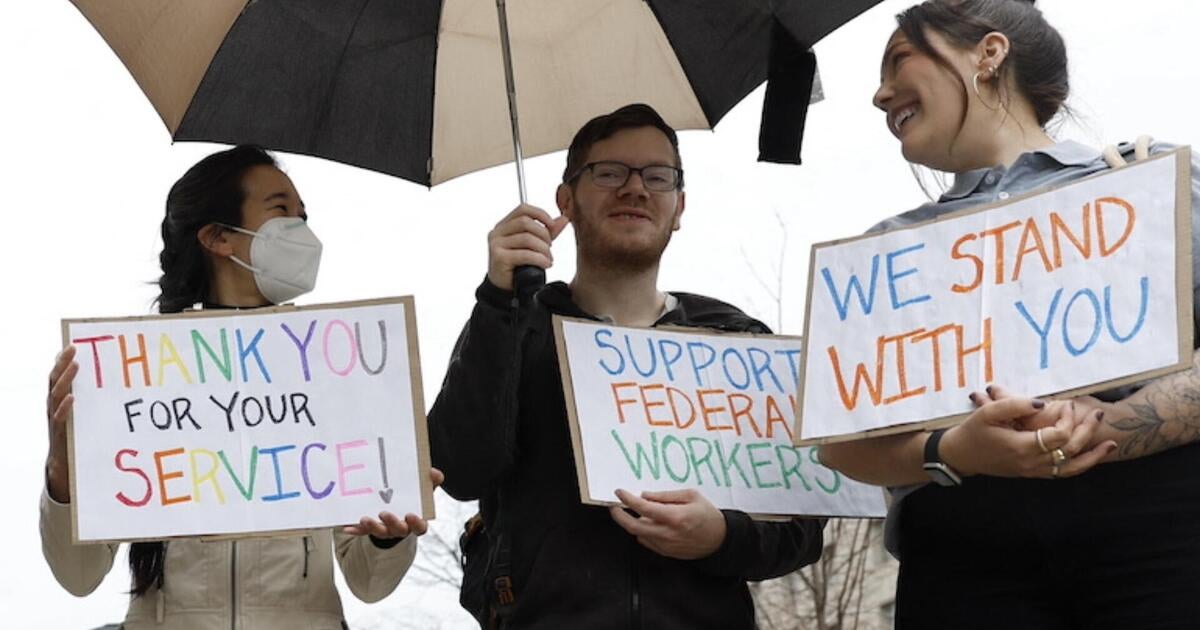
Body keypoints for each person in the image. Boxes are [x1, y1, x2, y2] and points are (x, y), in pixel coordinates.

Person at [817, 1, 1200, 629]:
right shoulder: (884, 253)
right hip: (963, 560)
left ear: (988, 54)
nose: (880, 95)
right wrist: (954, 449)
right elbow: (842, 445)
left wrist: (1113, 422)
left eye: (899, 60)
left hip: (1159, 538)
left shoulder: (1148, 181)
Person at [428, 103, 824, 630]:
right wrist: (499, 299)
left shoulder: (734, 340)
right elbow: (457, 467)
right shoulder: (515, 324)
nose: (635, 189)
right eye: (609, 173)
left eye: (657, 176)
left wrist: (722, 538)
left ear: (679, 206)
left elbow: (802, 527)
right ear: (566, 199)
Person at [41, 145, 440, 629]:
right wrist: (63, 474)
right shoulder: (138, 379)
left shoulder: (338, 369)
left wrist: (387, 537)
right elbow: (77, 575)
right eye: (280, 211)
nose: (302, 230)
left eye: (303, 215)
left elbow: (368, 583)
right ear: (217, 237)